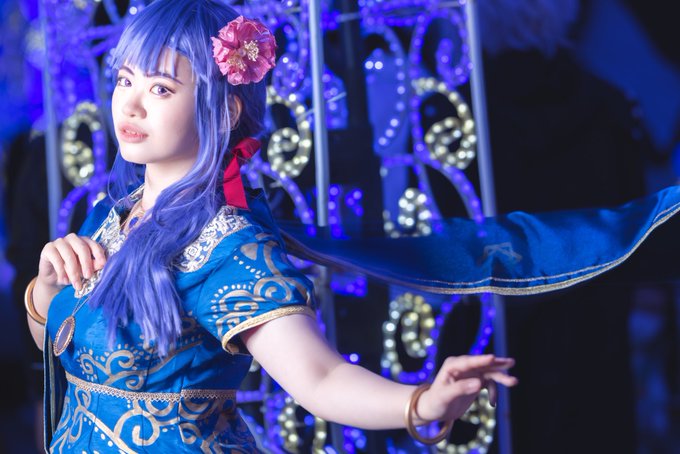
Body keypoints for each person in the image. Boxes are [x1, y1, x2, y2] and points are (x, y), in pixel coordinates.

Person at [23, 0, 517, 451]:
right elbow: (61, 342)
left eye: (161, 88)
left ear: (223, 112)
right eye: (124, 80)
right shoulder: (111, 214)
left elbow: (320, 379)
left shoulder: (228, 245)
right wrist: (46, 287)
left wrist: (422, 403)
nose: (130, 104)